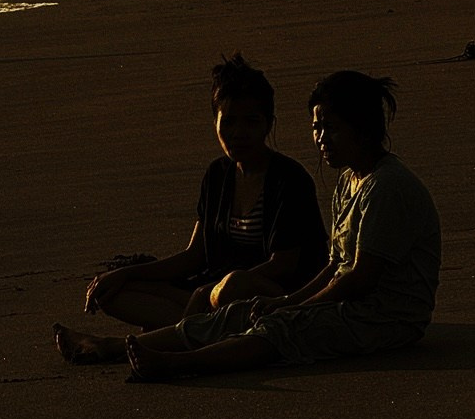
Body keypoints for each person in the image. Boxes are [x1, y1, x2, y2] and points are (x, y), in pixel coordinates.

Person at [118, 69, 441, 382]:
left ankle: (176, 363)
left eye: (331, 128)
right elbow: (335, 266)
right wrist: (284, 303)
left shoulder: (387, 186)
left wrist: (292, 306)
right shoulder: (348, 180)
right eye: (317, 128)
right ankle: (121, 347)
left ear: (364, 129)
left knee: (279, 328)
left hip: (386, 317)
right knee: (239, 313)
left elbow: (360, 278)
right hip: (348, 303)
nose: (321, 139)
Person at [54, 52, 327, 365]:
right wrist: (122, 274)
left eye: (251, 121)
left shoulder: (289, 178)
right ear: (215, 122)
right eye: (229, 121)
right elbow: (193, 256)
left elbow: (285, 265)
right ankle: (185, 332)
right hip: (211, 297)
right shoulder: (217, 175)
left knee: (233, 286)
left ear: (268, 124)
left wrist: (211, 291)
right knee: (114, 291)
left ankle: (114, 345)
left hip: (271, 298)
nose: (239, 132)